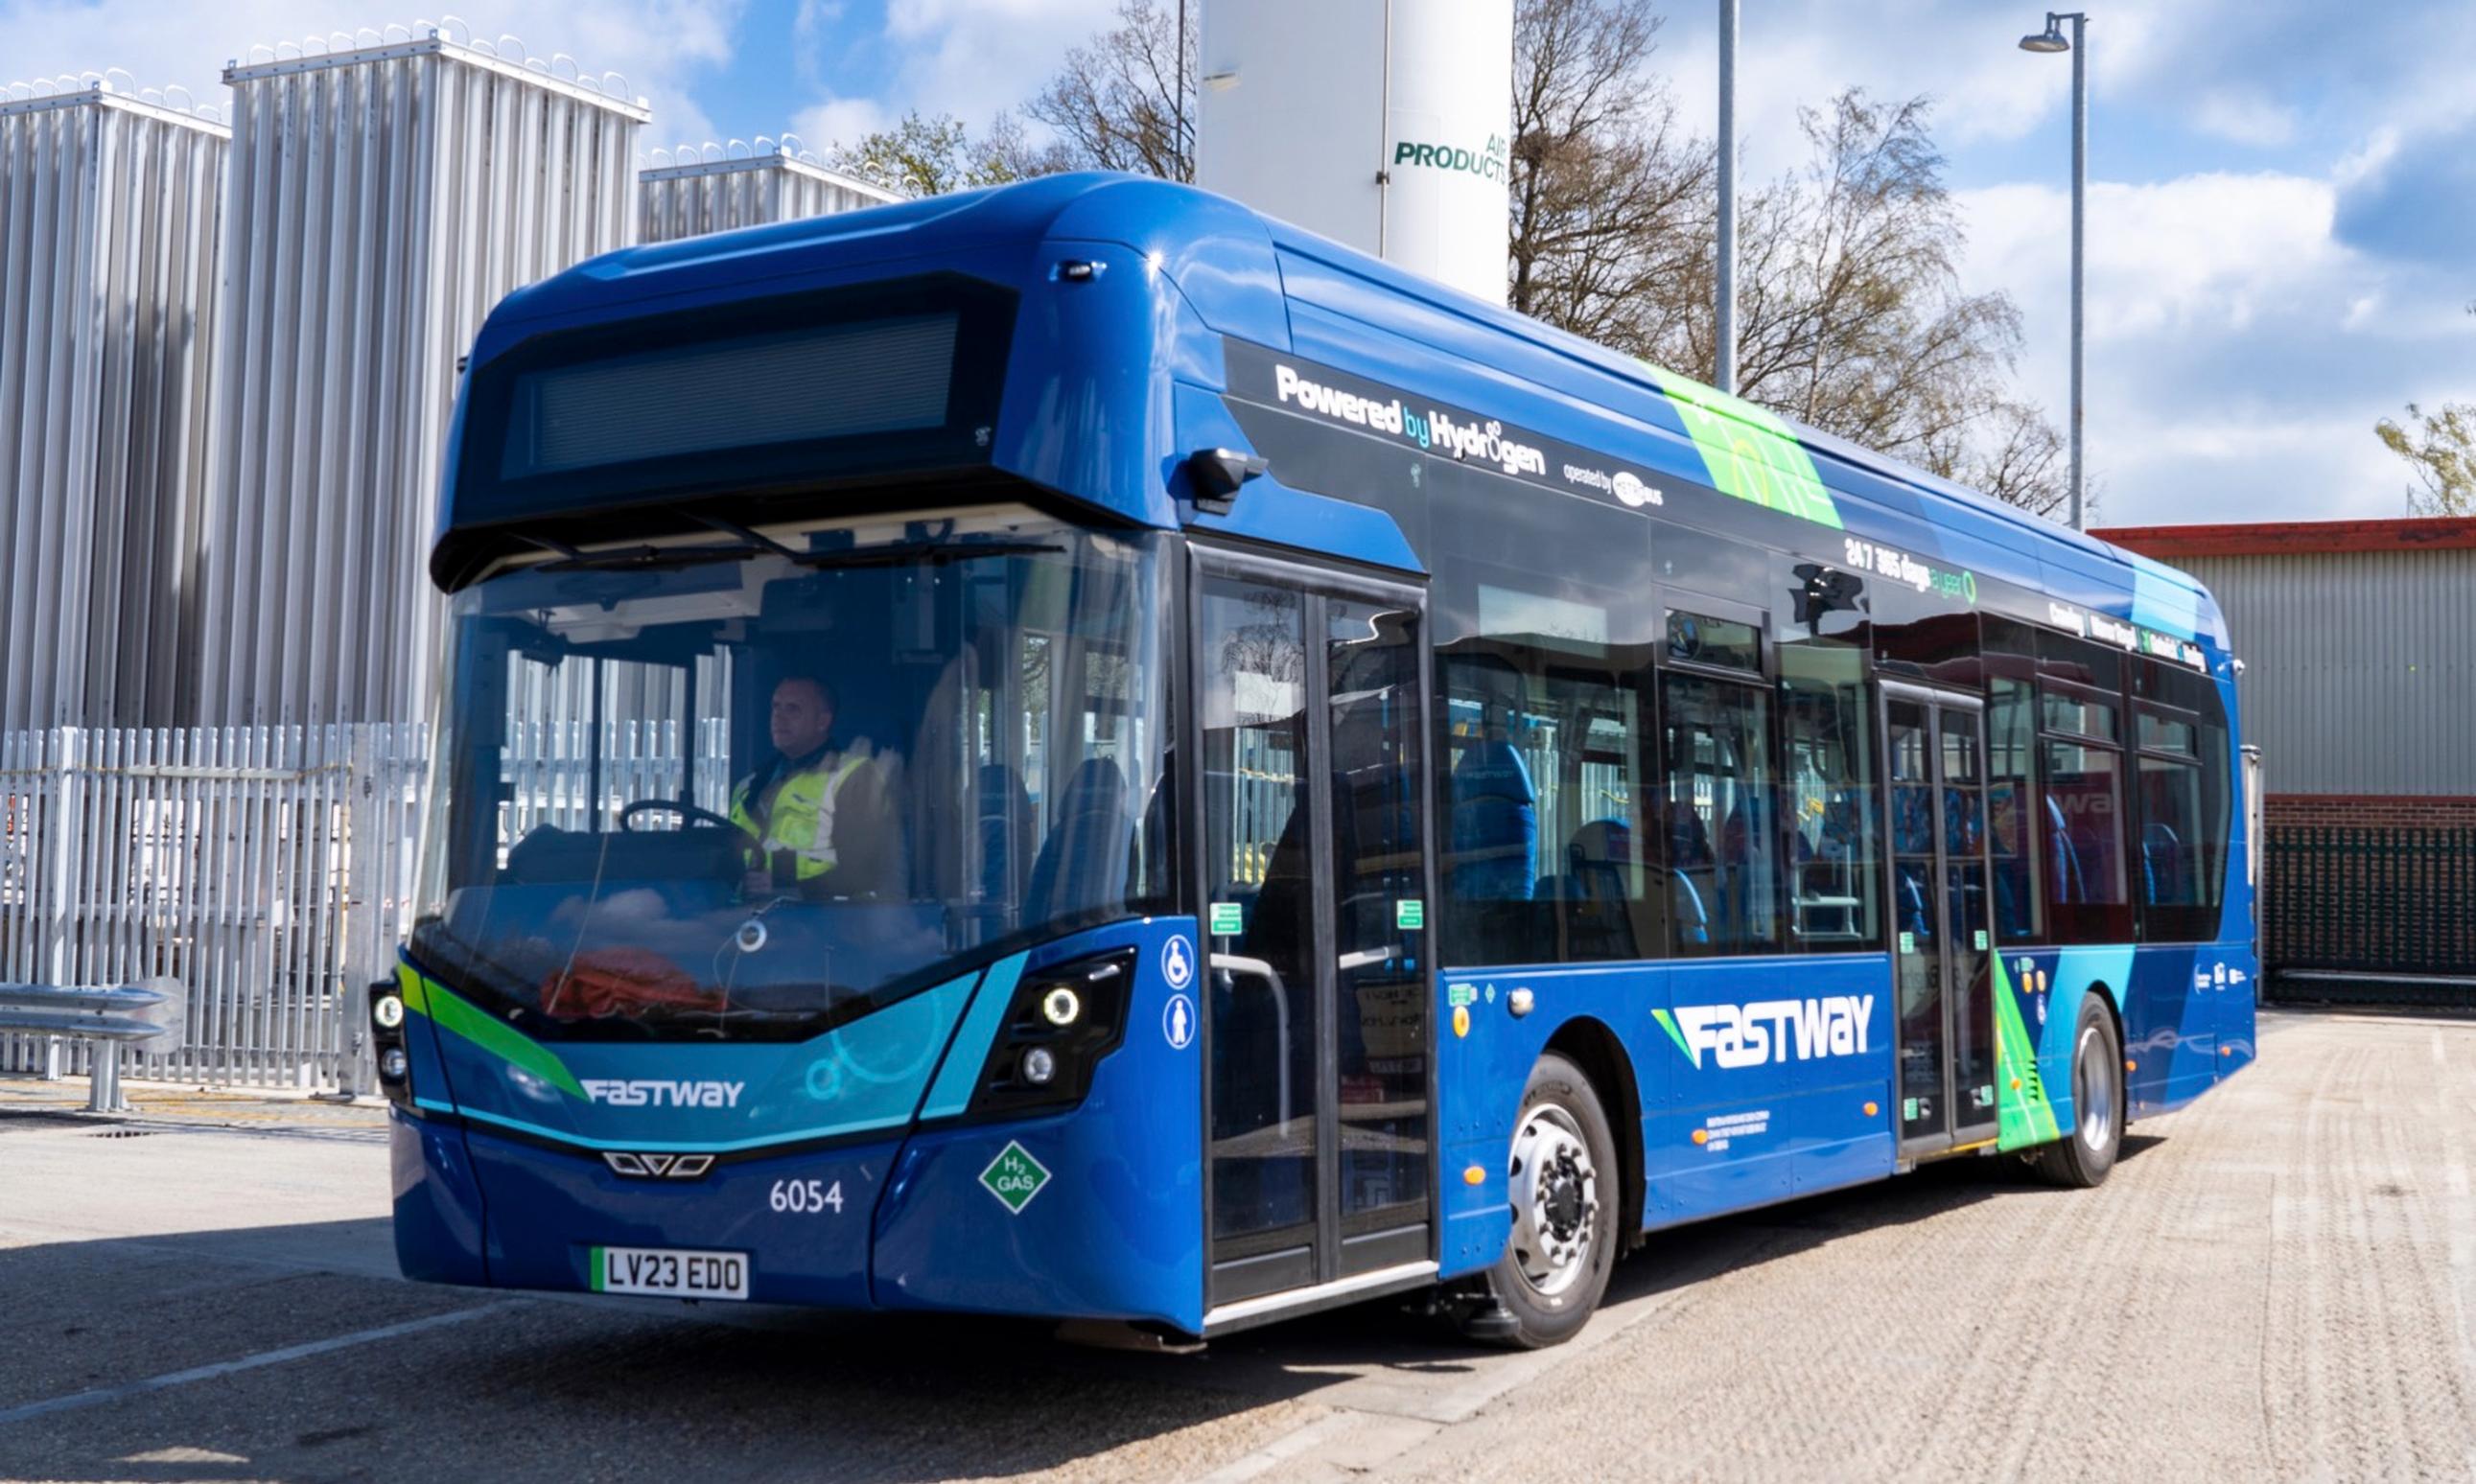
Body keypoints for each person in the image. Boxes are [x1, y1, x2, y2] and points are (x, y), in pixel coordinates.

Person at [729, 674, 898, 898]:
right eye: (776, 707)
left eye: (793, 709)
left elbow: (863, 872)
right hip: (744, 921)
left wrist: (782, 881)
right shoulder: (748, 786)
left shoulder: (853, 776)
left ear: (822, 721)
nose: (779, 716)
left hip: (822, 923)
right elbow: (726, 857)